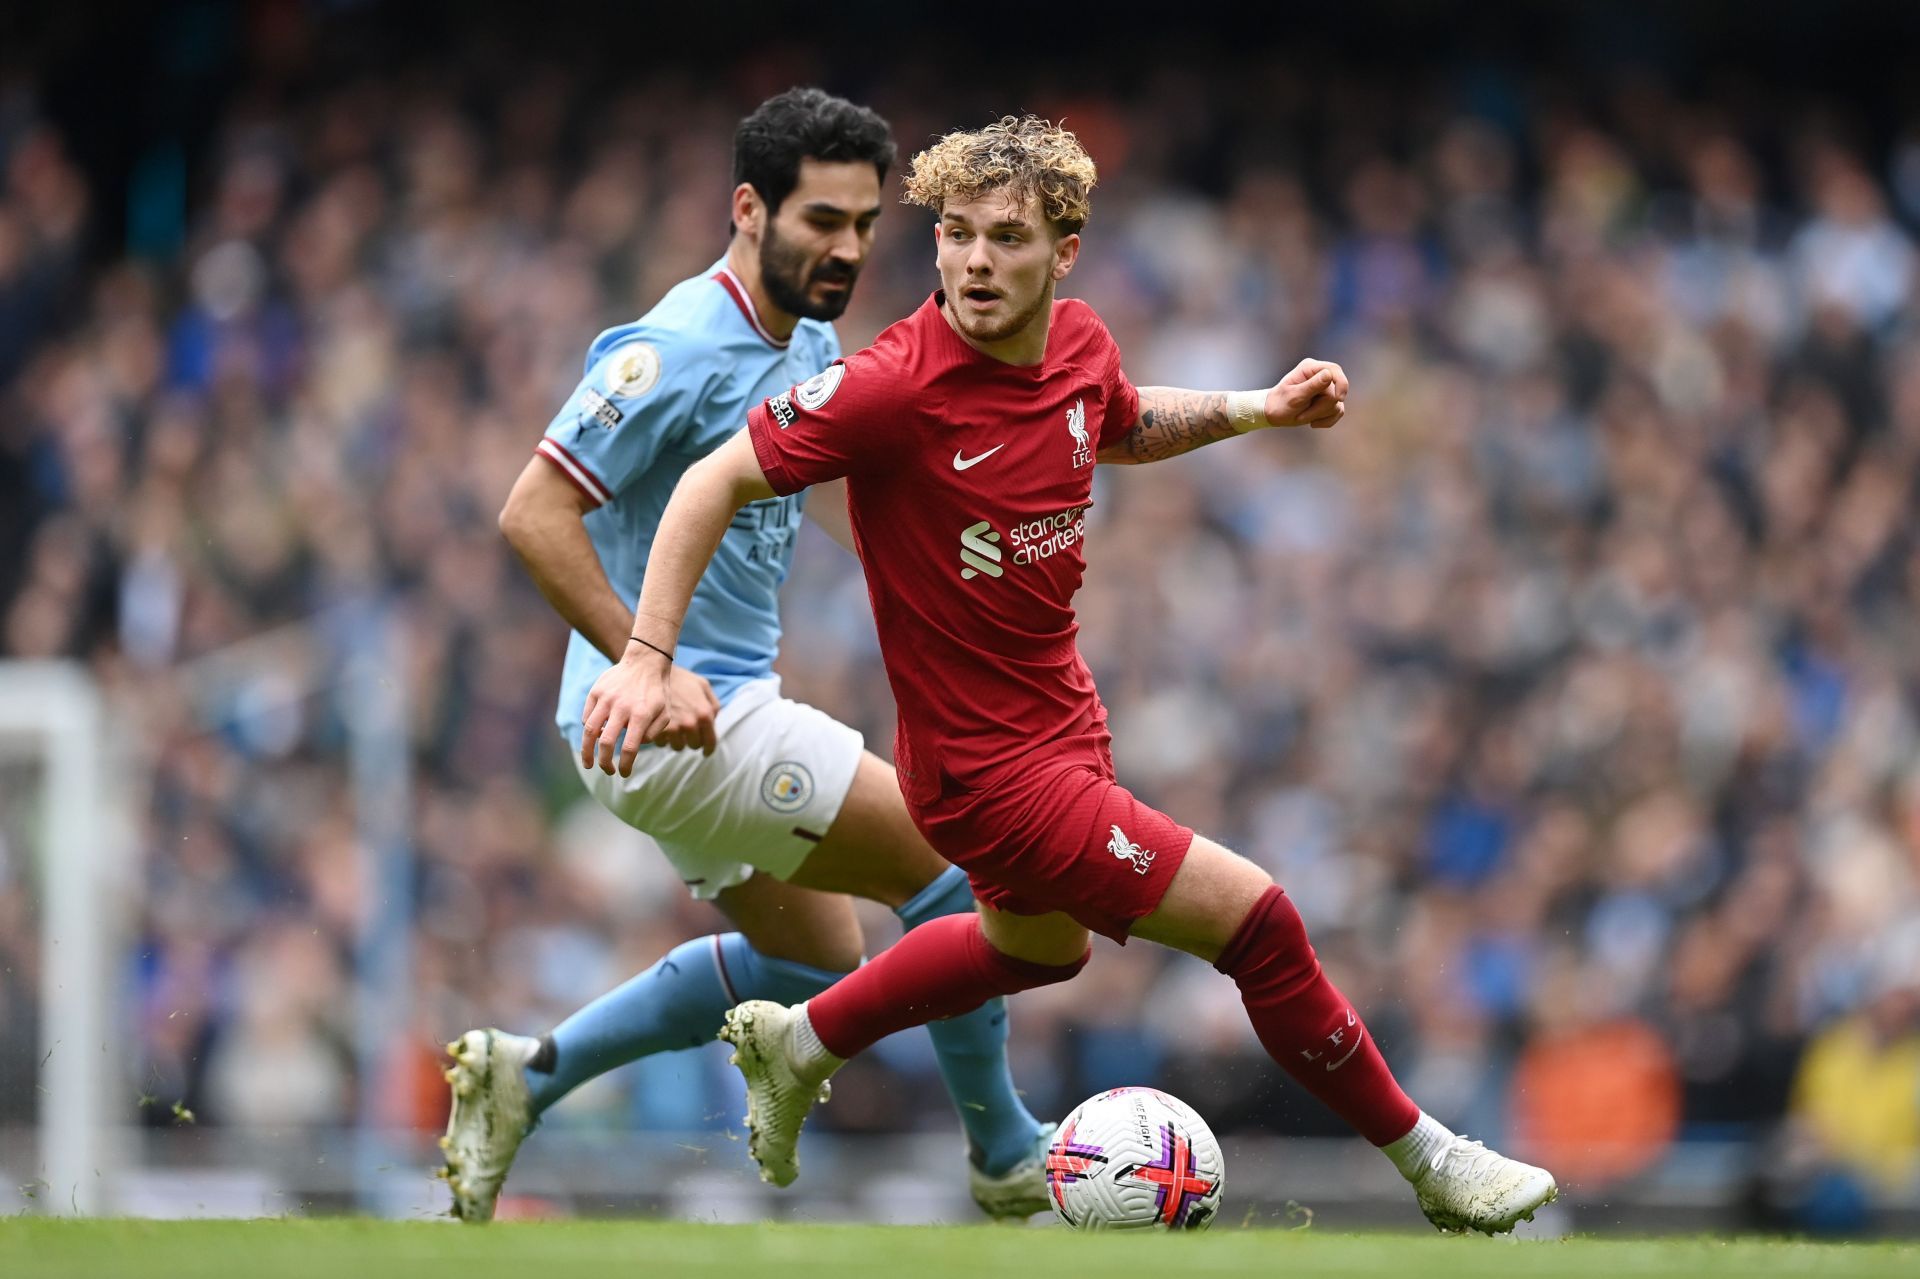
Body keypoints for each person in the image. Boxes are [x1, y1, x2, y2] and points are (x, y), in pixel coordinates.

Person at [580, 115, 1561, 1234]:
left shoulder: (1081, 345)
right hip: (984, 773)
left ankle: (801, 1040)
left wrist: (1259, 409)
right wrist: (648, 656)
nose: (976, 262)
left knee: (1035, 947)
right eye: (955, 236)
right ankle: (1434, 1160)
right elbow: (711, 480)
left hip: (1063, 726)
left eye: (1006, 237)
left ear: (1066, 252)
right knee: (1260, 923)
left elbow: (1122, 423)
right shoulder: (892, 386)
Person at [439, 89, 1049, 1224]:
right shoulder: (676, 347)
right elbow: (532, 512)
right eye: (823, 219)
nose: (849, 248)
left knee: (821, 967)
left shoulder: (807, 340)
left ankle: (525, 1080)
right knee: (961, 868)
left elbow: (820, 496)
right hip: (668, 715)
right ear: (747, 209)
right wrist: (646, 658)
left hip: (701, 716)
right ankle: (1005, 1149)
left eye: (866, 223)